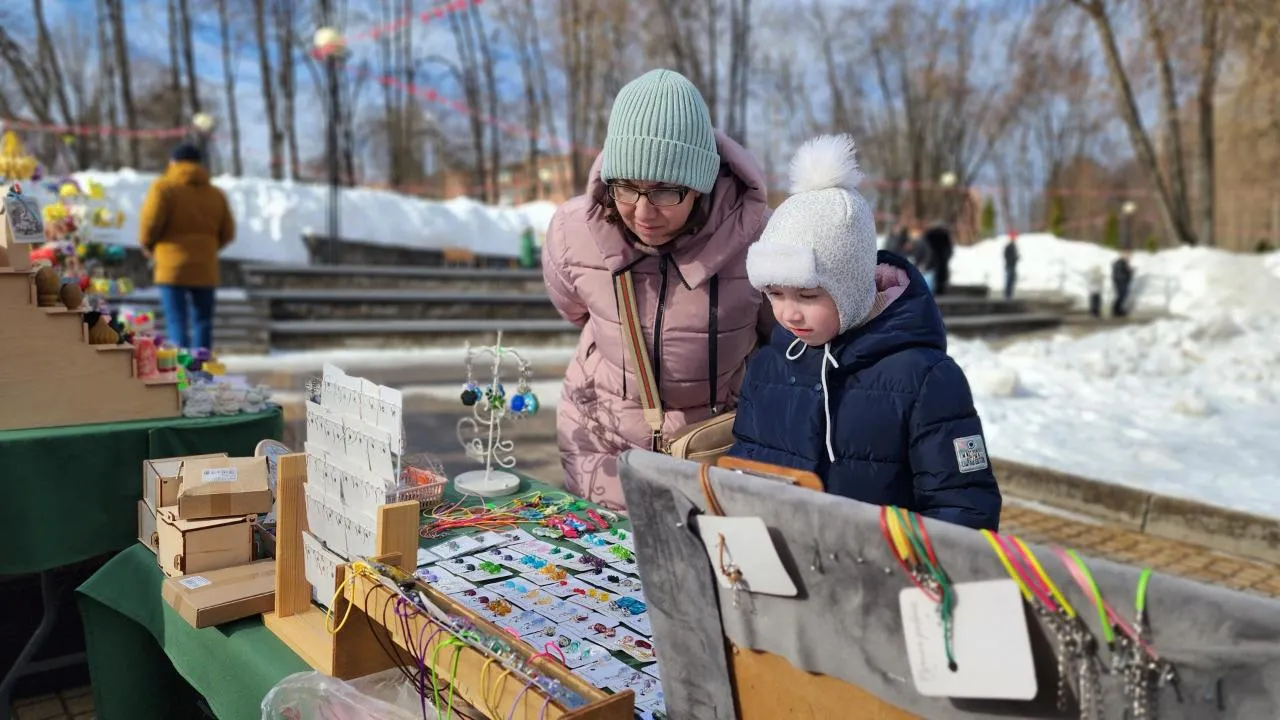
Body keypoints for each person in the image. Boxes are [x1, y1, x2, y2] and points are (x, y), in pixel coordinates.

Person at [728, 135, 1001, 531]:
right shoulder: (770, 366)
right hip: (785, 571)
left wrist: (927, 577)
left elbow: (962, 503)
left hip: (886, 577)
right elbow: (744, 470)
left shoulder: (925, 379)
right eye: (773, 293)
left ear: (852, 287)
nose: (788, 312)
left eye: (808, 294)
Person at [542, 69, 772, 509]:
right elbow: (575, 309)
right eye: (626, 186)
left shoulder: (760, 240)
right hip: (602, 446)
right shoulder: (572, 231)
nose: (643, 212)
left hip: (714, 451)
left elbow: (779, 336)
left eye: (667, 190)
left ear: (701, 187)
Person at [138, 143, 235, 351]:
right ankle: (201, 371)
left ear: (173, 162)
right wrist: (207, 249)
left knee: (177, 321)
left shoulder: (163, 187)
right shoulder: (216, 194)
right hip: (205, 266)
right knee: (203, 321)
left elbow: (151, 222)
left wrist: (147, 244)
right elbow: (228, 233)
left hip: (171, 265)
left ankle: (181, 373)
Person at [923, 224, 954, 295]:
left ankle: (935, 288)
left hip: (934, 258)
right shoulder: (944, 236)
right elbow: (949, 248)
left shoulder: (930, 236)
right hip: (941, 258)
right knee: (940, 273)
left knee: (934, 273)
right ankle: (940, 288)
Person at [1112, 251, 1134, 318]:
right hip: (1121, 281)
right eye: (1127, 257)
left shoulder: (1121, 263)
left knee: (1122, 296)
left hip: (1122, 281)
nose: (1128, 259)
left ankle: (1118, 309)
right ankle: (1116, 310)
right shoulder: (1120, 263)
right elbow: (1124, 272)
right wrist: (1130, 272)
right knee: (1121, 295)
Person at [1003, 231, 1019, 300]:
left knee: (1012, 280)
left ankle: (1010, 294)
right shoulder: (1008, 247)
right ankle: (1007, 294)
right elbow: (1006, 255)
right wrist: (1012, 259)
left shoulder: (1014, 247)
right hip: (1009, 265)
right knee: (1009, 280)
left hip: (1013, 265)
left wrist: (1016, 258)